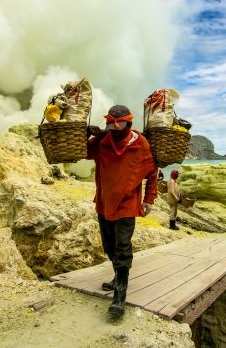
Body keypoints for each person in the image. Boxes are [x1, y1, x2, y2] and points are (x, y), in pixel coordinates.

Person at [86, 104, 158, 317]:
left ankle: (120, 297)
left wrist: (149, 199)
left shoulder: (141, 143)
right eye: (112, 127)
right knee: (109, 245)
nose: (116, 131)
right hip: (104, 201)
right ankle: (118, 276)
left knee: (123, 246)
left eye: (121, 126)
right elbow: (82, 152)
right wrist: (87, 134)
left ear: (129, 125)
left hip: (127, 203)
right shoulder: (101, 142)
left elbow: (152, 172)